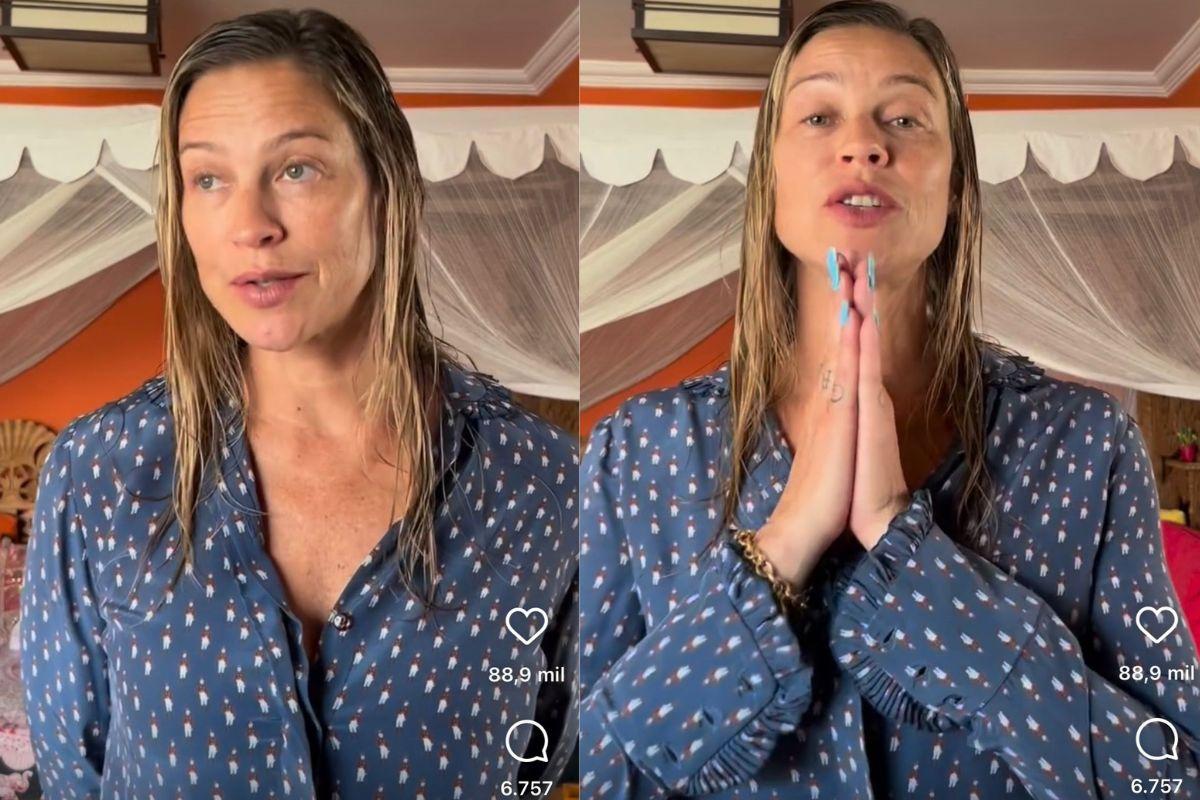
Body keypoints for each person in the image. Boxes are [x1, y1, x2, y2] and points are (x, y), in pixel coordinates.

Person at [579, 1, 1200, 798]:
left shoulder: (1087, 447)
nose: (864, 145)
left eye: (904, 118)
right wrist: (783, 545)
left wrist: (913, 555)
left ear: (956, 185)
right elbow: (588, 768)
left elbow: (1169, 776)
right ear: (769, 180)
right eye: (818, 116)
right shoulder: (635, 452)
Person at [20, 9, 577, 798]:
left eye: (296, 170)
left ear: (384, 186)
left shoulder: (544, 481)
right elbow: (75, 768)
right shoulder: (97, 471)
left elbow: (540, 755)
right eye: (208, 179)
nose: (250, 225)